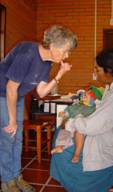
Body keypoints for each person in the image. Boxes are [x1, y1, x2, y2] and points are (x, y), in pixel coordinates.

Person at [0, 25, 77, 192]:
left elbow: (41, 92)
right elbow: (10, 87)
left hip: (16, 96)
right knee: (8, 137)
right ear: (54, 45)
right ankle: (6, 182)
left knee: (17, 138)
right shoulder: (27, 53)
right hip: (2, 94)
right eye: (65, 51)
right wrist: (12, 120)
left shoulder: (47, 62)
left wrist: (60, 74)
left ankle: (16, 177)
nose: (67, 55)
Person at [50, 47, 113, 192]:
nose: (96, 74)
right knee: (66, 131)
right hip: (109, 132)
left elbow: (95, 125)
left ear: (108, 71)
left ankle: (82, 185)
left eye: (97, 70)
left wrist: (75, 120)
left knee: (62, 151)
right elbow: (104, 116)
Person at [51, 86, 104, 163]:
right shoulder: (76, 105)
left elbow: (95, 119)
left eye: (87, 96)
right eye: (84, 95)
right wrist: (64, 113)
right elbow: (69, 111)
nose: (84, 96)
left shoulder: (93, 109)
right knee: (63, 132)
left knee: (79, 133)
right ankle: (60, 146)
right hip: (71, 126)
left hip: (81, 128)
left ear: (94, 100)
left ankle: (77, 154)